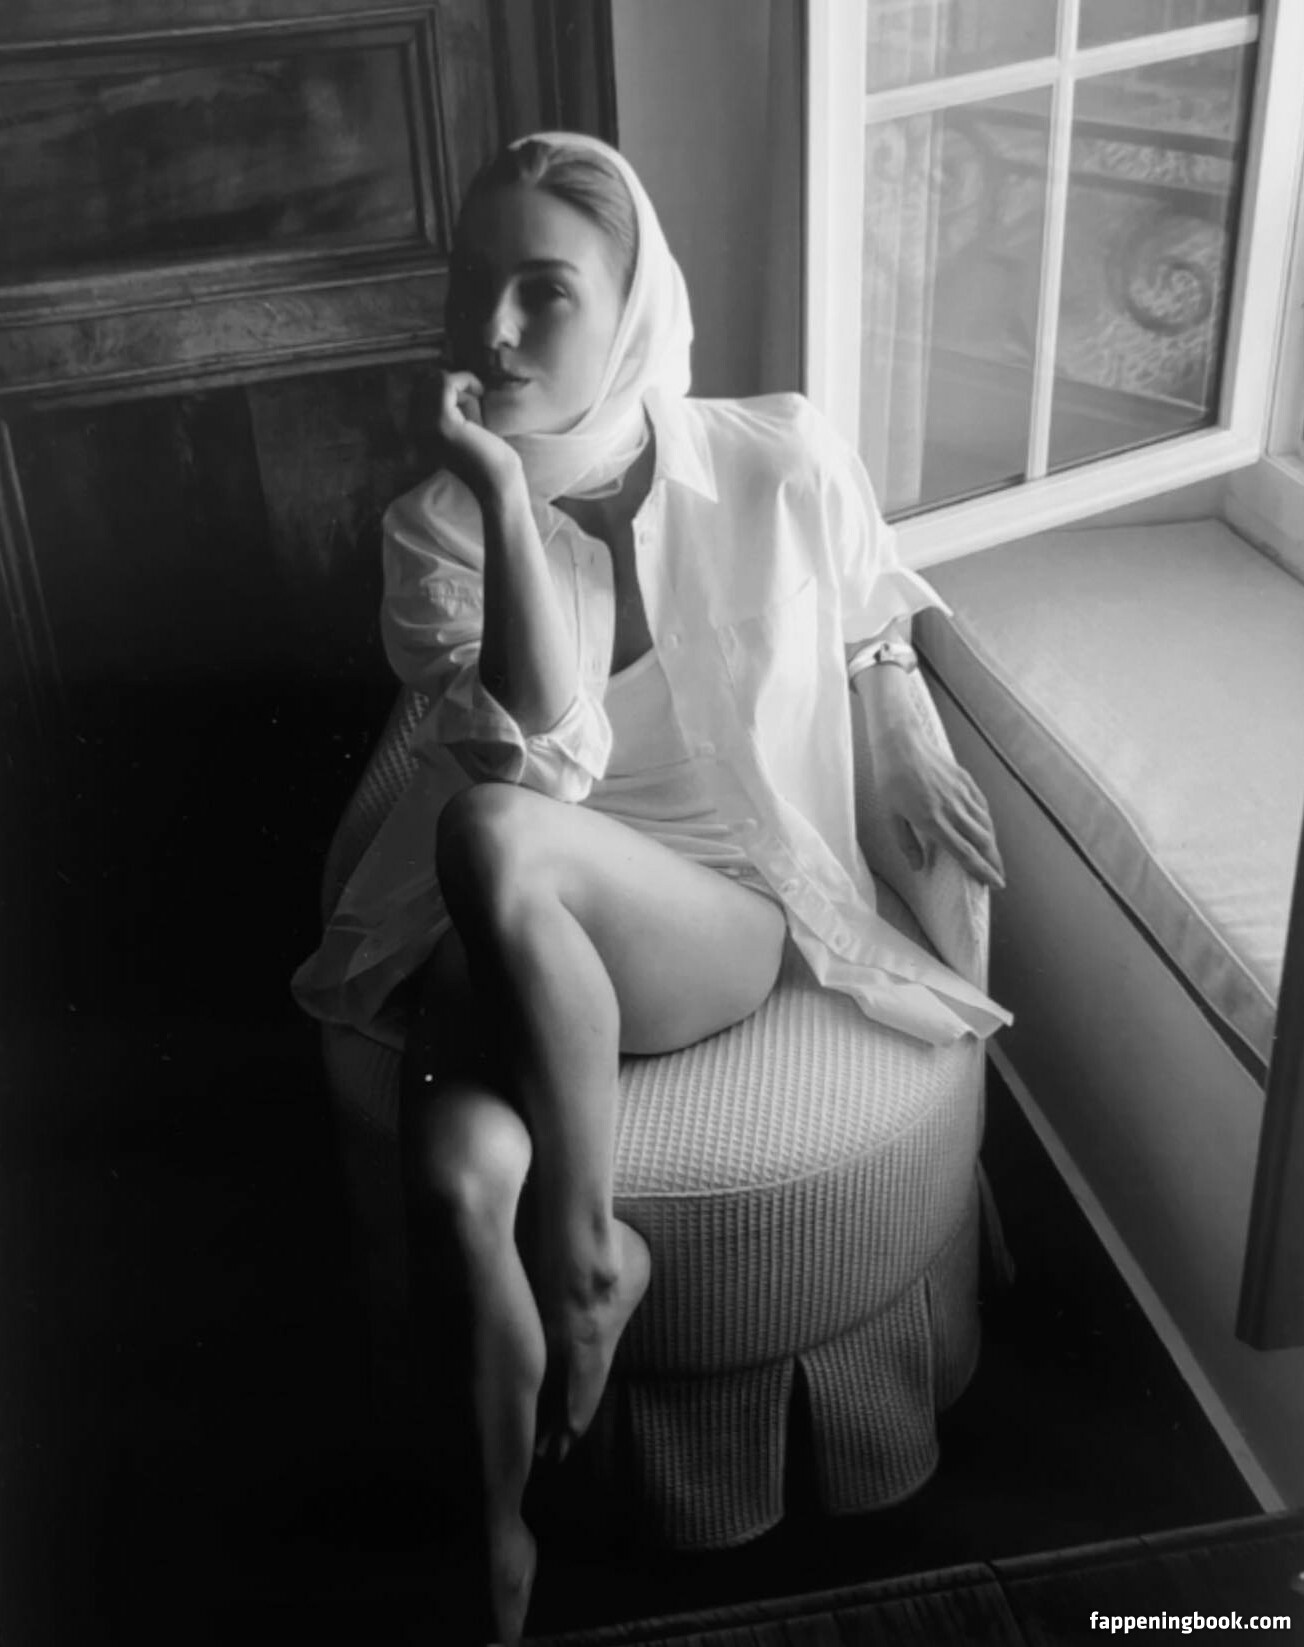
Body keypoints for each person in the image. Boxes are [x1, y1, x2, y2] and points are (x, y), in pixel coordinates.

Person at [292, 130, 1009, 1645]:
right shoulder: (433, 530)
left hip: (711, 915)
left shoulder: (776, 451)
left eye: (544, 291)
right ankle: (498, 1551)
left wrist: (889, 702)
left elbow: (868, 606)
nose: (494, 330)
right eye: (474, 285)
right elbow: (538, 759)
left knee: (491, 841)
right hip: (510, 928)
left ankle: (589, 1248)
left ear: (629, 307)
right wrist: (502, 495)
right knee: (458, 1179)